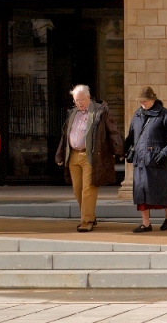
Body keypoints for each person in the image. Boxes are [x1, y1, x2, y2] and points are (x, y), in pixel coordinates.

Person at [54, 84, 124, 231]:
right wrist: (60, 154)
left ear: (88, 97)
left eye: (81, 99)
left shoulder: (100, 111)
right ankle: (90, 215)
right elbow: (65, 135)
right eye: (76, 100)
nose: (78, 103)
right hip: (73, 155)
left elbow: (113, 131)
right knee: (78, 189)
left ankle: (86, 221)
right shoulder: (72, 113)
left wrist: (119, 150)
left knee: (88, 189)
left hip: (91, 155)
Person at [123, 86, 167, 233]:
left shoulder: (165, 114)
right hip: (140, 161)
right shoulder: (137, 115)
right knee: (141, 192)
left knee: (161, 191)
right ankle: (146, 223)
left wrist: (163, 153)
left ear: (153, 99)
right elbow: (131, 137)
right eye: (141, 101)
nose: (142, 104)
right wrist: (123, 150)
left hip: (158, 162)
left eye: (145, 101)